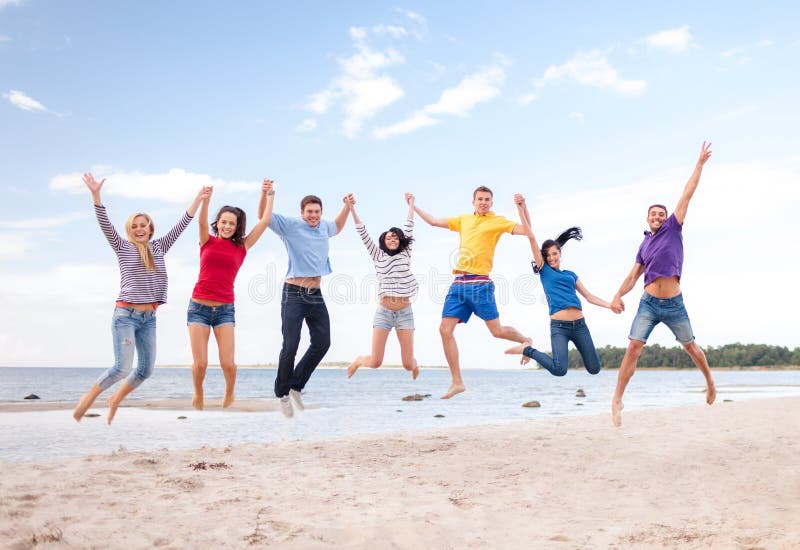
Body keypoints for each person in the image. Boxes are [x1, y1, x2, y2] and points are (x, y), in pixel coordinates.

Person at [73, 173, 207, 424]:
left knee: (146, 370)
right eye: (134, 226)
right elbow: (104, 223)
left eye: (143, 225)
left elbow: (183, 223)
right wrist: (96, 195)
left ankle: (115, 399)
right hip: (126, 316)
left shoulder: (160, 247)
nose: (139, 229)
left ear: (150, 228)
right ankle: (88, 397)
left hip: (149, 318)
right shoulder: (122, 247)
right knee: (122, 368)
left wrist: (198, 199)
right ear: (129, 231)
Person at [610, 142, 716, 427]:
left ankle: (709, 383)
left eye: (661, 213)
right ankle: (617, 400)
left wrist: (699, 164)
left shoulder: (673, 227)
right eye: (653, 214)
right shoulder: (644, 244)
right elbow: (632, 276)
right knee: (633, 348)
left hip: (674, 304)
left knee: (691, 347)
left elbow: (687, 194)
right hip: (648, 303)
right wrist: (617, 296)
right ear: (647, 218)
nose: (657, 217)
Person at [413, 186, 531, 399]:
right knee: (444, 329)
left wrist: (522, 208)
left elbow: (527, 231)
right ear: (473, 201)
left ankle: (525, 340)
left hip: (480, 284)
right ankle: (457, 382)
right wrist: (413, 206)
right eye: (480, 199)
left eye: (487, 199)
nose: (483, 202)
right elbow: (432, 221)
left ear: (491, 203)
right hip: (458, 284)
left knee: (497, 331)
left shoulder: (498, 221)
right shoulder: (463, 220)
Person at [258, 191, 350, 417]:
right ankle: (282, 394)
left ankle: (296, 386)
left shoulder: (323, 227)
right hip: (293, 293)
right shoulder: (290, 226)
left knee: (323, 342)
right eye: (309, 212)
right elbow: (263, 216)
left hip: (315, 293)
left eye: (317, 212)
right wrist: (266, 195)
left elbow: (337, 226)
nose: (313, 216)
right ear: (302, 213)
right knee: (291, 344)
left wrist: (347, 206)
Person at [505, 195, 619, 375]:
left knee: (595, 368)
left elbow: (589, 297)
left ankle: (527, 349)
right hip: (559, 327)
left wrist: (610, 305)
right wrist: (522, 208)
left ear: (560, 253)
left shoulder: (571, 275)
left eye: (554, 254)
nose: (551, 258)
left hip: (580, 325)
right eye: (548, 255)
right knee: (559, 370)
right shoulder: (544, 270)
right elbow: (531, 237)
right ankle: (528, 349)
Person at [188, 179, 276, 410]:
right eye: (224, 222)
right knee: (201, 364)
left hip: (225, 309)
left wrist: (269, 195)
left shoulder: (242, 247)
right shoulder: (207, 240)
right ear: (218, 223)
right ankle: (198, 392)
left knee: (228, 364)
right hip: (198, 307)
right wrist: (205, 201)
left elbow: (265, 221)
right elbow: (201, 221)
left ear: (237, 227)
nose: (227, 226)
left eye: (232, 224)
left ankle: (229, 392)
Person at [346, 193, 419, 380]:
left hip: (405, 313)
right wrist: (351, 208)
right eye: (389, 238)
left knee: (408, 364)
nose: (393, 240)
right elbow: (362, 232)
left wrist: (411, 204)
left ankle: (415, 363)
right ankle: (359, 360)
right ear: (383, 242)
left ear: (400, 240)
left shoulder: (406, 253)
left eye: (395, 238)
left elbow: (409, 225)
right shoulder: (377, 255)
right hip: (384, 312)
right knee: (375, 362)